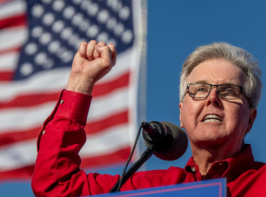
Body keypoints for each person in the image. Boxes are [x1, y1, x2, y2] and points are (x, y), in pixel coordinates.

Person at [31, 40, 266, 197]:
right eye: (199, 89)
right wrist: (80, 83)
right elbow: (55, 186)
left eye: (228, 91)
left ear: (251, 120)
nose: (212, 98)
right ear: (182, 113)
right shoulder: (152, 189)